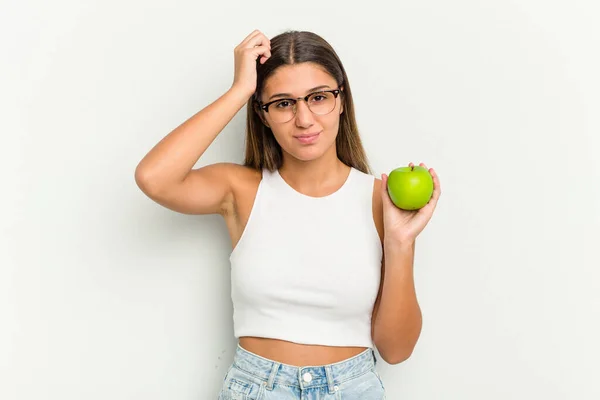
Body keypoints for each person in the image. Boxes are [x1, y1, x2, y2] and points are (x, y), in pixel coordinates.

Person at [135, 29, 441, 399]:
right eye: (282, 103)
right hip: (257, 387)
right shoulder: (240, 189)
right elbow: (154, 178)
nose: (304, 119)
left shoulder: (382, 199)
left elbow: (396, 350)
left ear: (342, 100)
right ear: (262, 115)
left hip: (353, 388)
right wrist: (240, 90)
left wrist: (400, 243)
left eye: (319, 98)